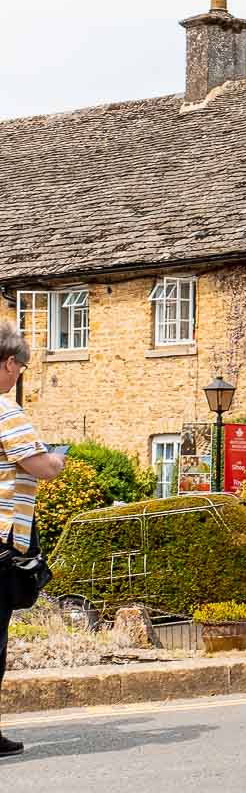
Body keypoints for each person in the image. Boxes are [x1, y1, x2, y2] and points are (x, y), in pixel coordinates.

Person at [0, 323, 66, 755]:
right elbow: (39, 466)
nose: (20, 375)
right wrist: (58, 459)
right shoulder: (5, 411)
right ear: (8, 364)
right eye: (21, 367)